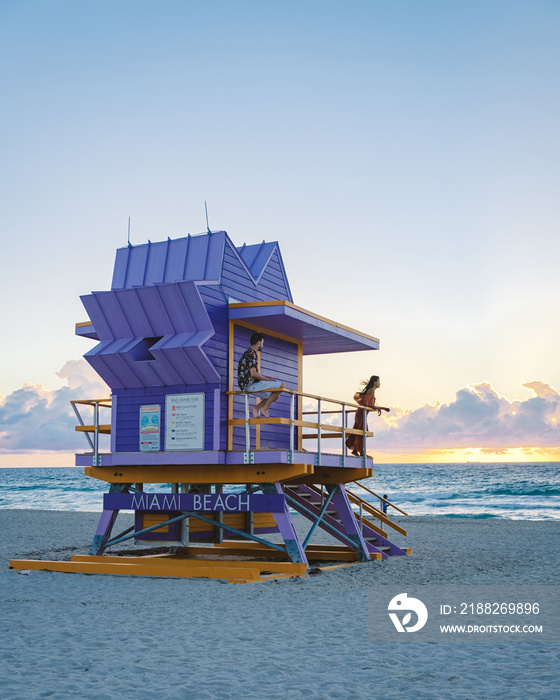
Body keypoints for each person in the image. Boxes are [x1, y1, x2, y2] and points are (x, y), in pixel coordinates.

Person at [237, 332, 284, 418]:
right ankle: (265, 408)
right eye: (262, 343)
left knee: (274, 395)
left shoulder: (247, 353)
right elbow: (253, 374)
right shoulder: (252, 354)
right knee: (281, 385)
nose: (262, 345)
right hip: (250, 385)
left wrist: (266, 378)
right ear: (258, 343)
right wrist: (267, 380)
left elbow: (252, 373)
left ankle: (256, 408)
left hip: (246, 384)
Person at [346, 375, 390, 456]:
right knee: (362, 431)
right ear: (375, 382)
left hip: (361, 413)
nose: (380, 383)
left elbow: (369, 405)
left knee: (360, 430)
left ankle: (356, 450)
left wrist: (380, 408)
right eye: (378, 381)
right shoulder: (371, 390)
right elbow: (370, 405)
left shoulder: (371, 390)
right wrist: (383, 408)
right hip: (361, 413)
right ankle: (360, 451)